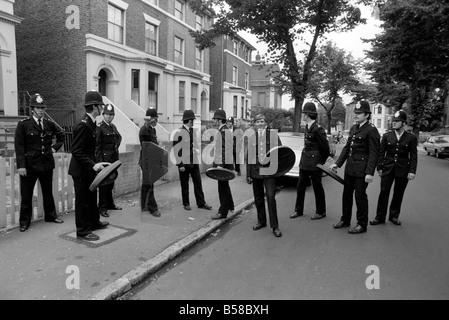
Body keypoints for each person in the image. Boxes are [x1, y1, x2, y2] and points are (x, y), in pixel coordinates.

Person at [14, 93, 65, 232]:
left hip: (46, 164)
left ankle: (50, 216)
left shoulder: (49, 124)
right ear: (32, 109)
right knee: (27, 194)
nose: (41, 110)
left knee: (48, 192)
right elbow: (19, 147)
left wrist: (54, 149)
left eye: (42, 107)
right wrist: (21, 166)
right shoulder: (23, 125)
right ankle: (24, 221)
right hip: (30, 166)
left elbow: (61, 135)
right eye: (38, 107)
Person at [330, 101, 380, 234]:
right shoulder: (353, 128)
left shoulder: (371, 130)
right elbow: (347, 148)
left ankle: (362, 224)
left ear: (367, 115)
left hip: (362, 171)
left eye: (359, 113)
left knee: (360, 196)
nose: (356, 115)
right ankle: (345, 220)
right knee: (346, 195)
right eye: (355, 113)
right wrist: (338, 163)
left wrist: (370, 172)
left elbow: (374, 153)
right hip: (350, 168)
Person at [68, 91, 109, 241]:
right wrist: (93, 165)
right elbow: (76, 151)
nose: (102, 108)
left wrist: (96, 164)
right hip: (80, 171)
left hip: (88, 169)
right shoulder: (83, 125)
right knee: (83, 201)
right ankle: (83, 231)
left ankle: (94, 222)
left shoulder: (91, 123)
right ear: (94, 107)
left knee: (92, 197)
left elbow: (90, 150)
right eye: (100, 106)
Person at [370, 109, 417, 226]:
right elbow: (381, 153)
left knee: (398, 193)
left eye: (397, 121)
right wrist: (379, 168)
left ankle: (394, 216)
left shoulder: (411, 138)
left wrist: (412, 171)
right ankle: (380, 217)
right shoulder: (387, 136)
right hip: (388, 168)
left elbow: (414, 156)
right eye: (393, 121)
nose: (394, 123)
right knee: (384, 192)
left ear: (404, 123)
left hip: (403, 170)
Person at [291, 102, 330, 220]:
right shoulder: (308, 127)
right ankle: (298, 210)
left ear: (307, 115)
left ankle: (321, 211)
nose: (302, 115)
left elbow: (325, 149)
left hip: (315, 163)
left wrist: (320, 162)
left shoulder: (318, 130)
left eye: (303, 113)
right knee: (300, 186)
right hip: (305, 162)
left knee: (317, 187)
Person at [247, 113, 283, 237]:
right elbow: (250, 157)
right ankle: (261, 221)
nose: (260, 124)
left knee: (271, 197)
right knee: (258, 198)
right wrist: (248, 174)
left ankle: (275, 226)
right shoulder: (252, 137)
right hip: (256, 171)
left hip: (269, 171)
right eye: (257, 122)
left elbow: (280, 153)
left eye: (262, 121)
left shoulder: (273, 136)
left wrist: (278, 172)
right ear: (255, 125)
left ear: (265, 124)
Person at [173, 109, 212, 211]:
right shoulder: (179, 132)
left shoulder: (192, 131)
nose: (193, 122)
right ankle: (186, 203)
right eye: (192, 120)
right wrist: (180, 165)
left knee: (198, 182)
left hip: (193, 161)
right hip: (184, 163)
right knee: (185, 184)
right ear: (189, 120)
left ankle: (201, 203)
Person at [95, 104, 122, 218]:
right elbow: (97, 147)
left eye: (111, 115)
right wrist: (100, 162)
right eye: (107, 114)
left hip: (113, 159)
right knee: (104, 185)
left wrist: (114, 149)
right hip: (105, 161)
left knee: (111, 183)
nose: (109, 117)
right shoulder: (100, 127)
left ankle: (110, 204)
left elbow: (119, 138)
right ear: (103, 115)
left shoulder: (113, 127)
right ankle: (102, 208)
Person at [210, 109, 235, 220]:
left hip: (223, 165)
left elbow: (225, 150)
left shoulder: (223, 131)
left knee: (222, 188)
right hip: (226, 164)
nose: (214, 121)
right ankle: (230, 205)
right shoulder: (225, 130)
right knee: (225, 186)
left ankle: (222, 212)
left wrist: (220, 165)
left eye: (215, 119)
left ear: (220, 120)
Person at [139, 108, 161, 217]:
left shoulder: (153, 130)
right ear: (151, 120)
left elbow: (154, 143)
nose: (157, 121)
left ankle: (144, 205)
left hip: (151, 160)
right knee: (150, 184)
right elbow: (146, 144)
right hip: (146, 161)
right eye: (155, 119)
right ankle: (153, 208)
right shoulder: (144, 130)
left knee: (146, 184)